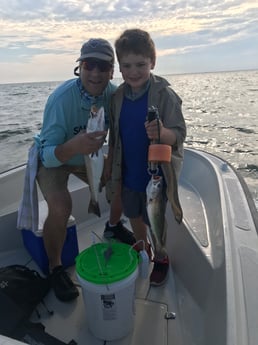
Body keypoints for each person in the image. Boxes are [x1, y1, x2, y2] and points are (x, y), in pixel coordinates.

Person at [35, 38, 135, 302]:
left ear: (111, 71)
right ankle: (55, 267)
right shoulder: (60, 100)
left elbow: (119, 135)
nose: (96, 73)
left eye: (103, 66)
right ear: (80, 67)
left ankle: (113, 225)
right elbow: (47, 153)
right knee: (60, 206)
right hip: (56, 157)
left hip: (90, 156)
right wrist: (74, 146)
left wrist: (109, 158)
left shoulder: (113, 95)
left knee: (124, 180)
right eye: (89, 64)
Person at [106, 29, 186, 286]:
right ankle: (143, 250)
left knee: (156, 220)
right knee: (134, 216)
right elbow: (115, 137)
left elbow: (180, 133)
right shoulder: (117, 97)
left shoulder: (165, 95)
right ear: (119, 67)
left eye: (140, 64)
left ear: (153, 62)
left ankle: (161, 257)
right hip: (129, 174)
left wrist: (163, 132)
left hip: (157, 176)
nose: (134, 71)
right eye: (126, 65)